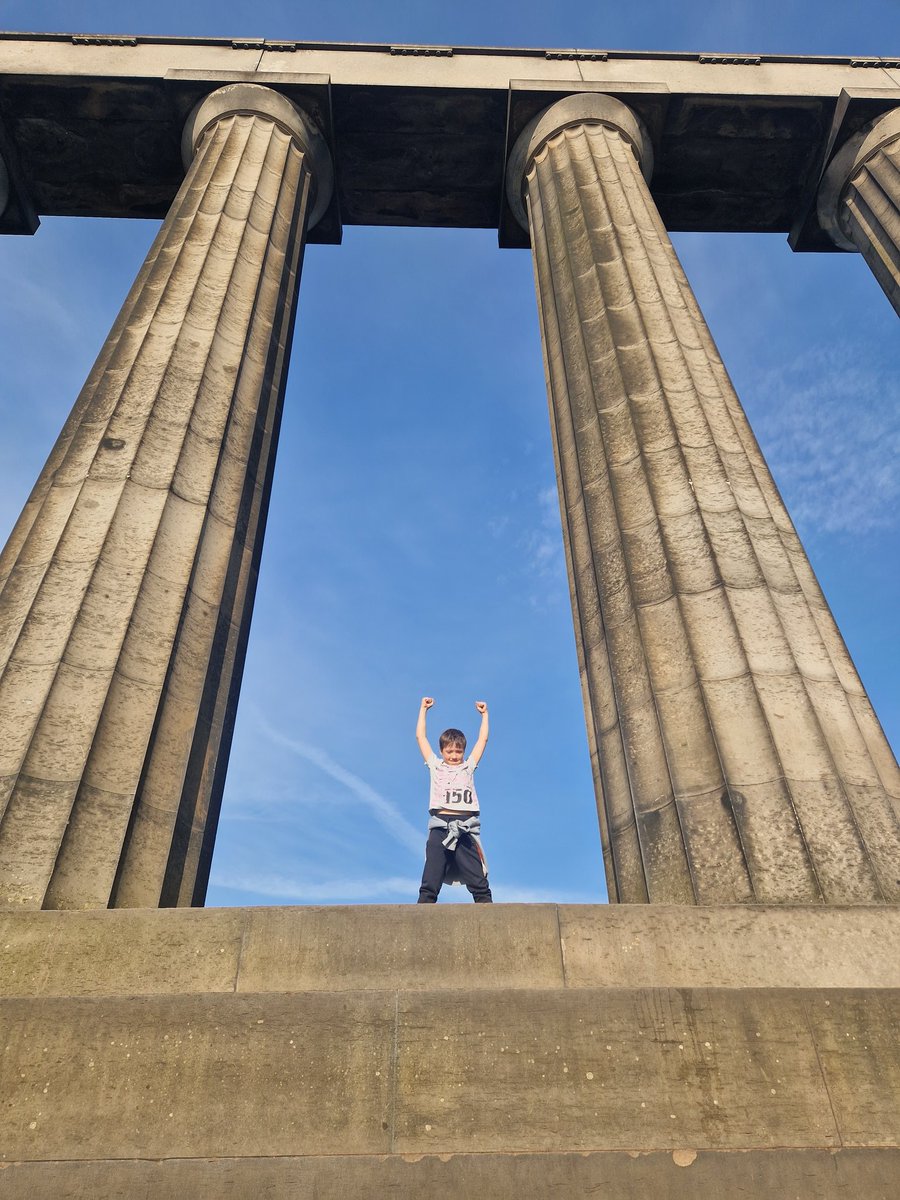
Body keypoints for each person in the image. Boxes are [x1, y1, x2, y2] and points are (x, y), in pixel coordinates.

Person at [415, 696, 493, 903]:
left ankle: (488, 913)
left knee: (478, 879)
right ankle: (422, 914)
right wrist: (423, 709)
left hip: (465, 827)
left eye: (458, 751)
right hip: (440, 826)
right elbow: (421, 738)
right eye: (449, 751)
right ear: (442, 751)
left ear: (463, 752)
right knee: (431, 877)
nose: (454, 755)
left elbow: (482, 740)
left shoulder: (468, 767)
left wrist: (485, 715)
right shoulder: (436, 766)